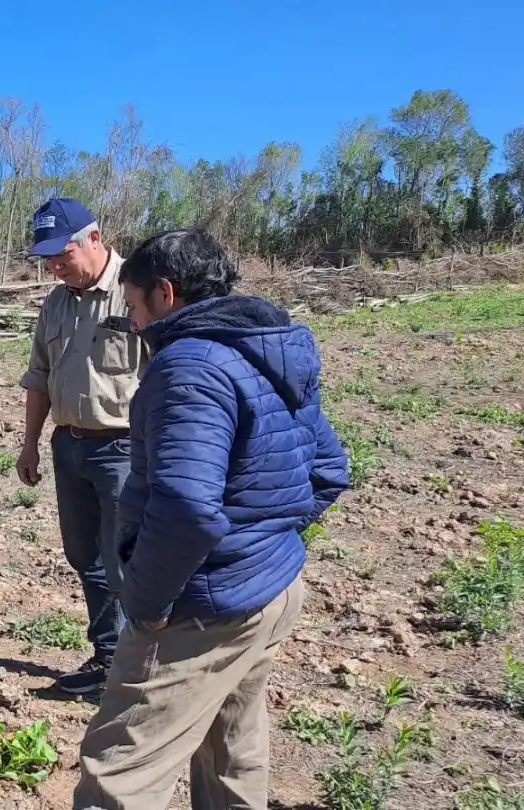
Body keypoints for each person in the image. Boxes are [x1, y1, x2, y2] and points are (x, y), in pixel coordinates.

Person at [74, 230, 350, 810]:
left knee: (123, 771)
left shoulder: (188, 369)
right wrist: (269, 541)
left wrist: (147, 603)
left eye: (134, 305)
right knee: (232, 749)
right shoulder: (267, 350)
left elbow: (186, 507)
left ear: (165, 294)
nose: (133, 323)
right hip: (271, 591)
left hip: (201, 606)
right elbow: (327, 468)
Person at [16, 198, 146, 694]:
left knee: (128, 562)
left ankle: (140, 670)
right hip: (69, 447)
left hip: (123, 450)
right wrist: (29, 444)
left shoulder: (135, 291)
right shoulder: (55, 302)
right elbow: (40, 377)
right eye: (47, 257)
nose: (54, 265)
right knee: (85, 557)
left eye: (61, 253)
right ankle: (107, 657)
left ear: (94, 239)